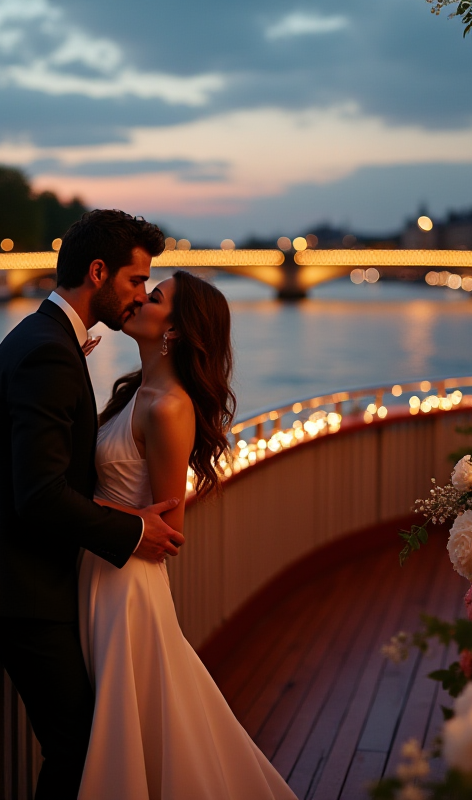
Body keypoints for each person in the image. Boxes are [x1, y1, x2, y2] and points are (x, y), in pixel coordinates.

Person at [0, 210, 185, 800]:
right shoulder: (49, 353)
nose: (138, 296)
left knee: (83, 741)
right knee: (77, 745)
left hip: (31, 579)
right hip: (22, 589)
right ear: (97, 272)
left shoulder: (44, 338)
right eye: (133, 281)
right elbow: (41, 494)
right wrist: (130, 531)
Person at [78, 269, 297, 799]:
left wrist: (74, 509)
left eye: (152, 297)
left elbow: (170, 529)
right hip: (100, 570)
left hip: (124, 586)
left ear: (174, 330)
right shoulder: (137, 390)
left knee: (131, 733)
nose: (136, 300)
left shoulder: (169, 405)